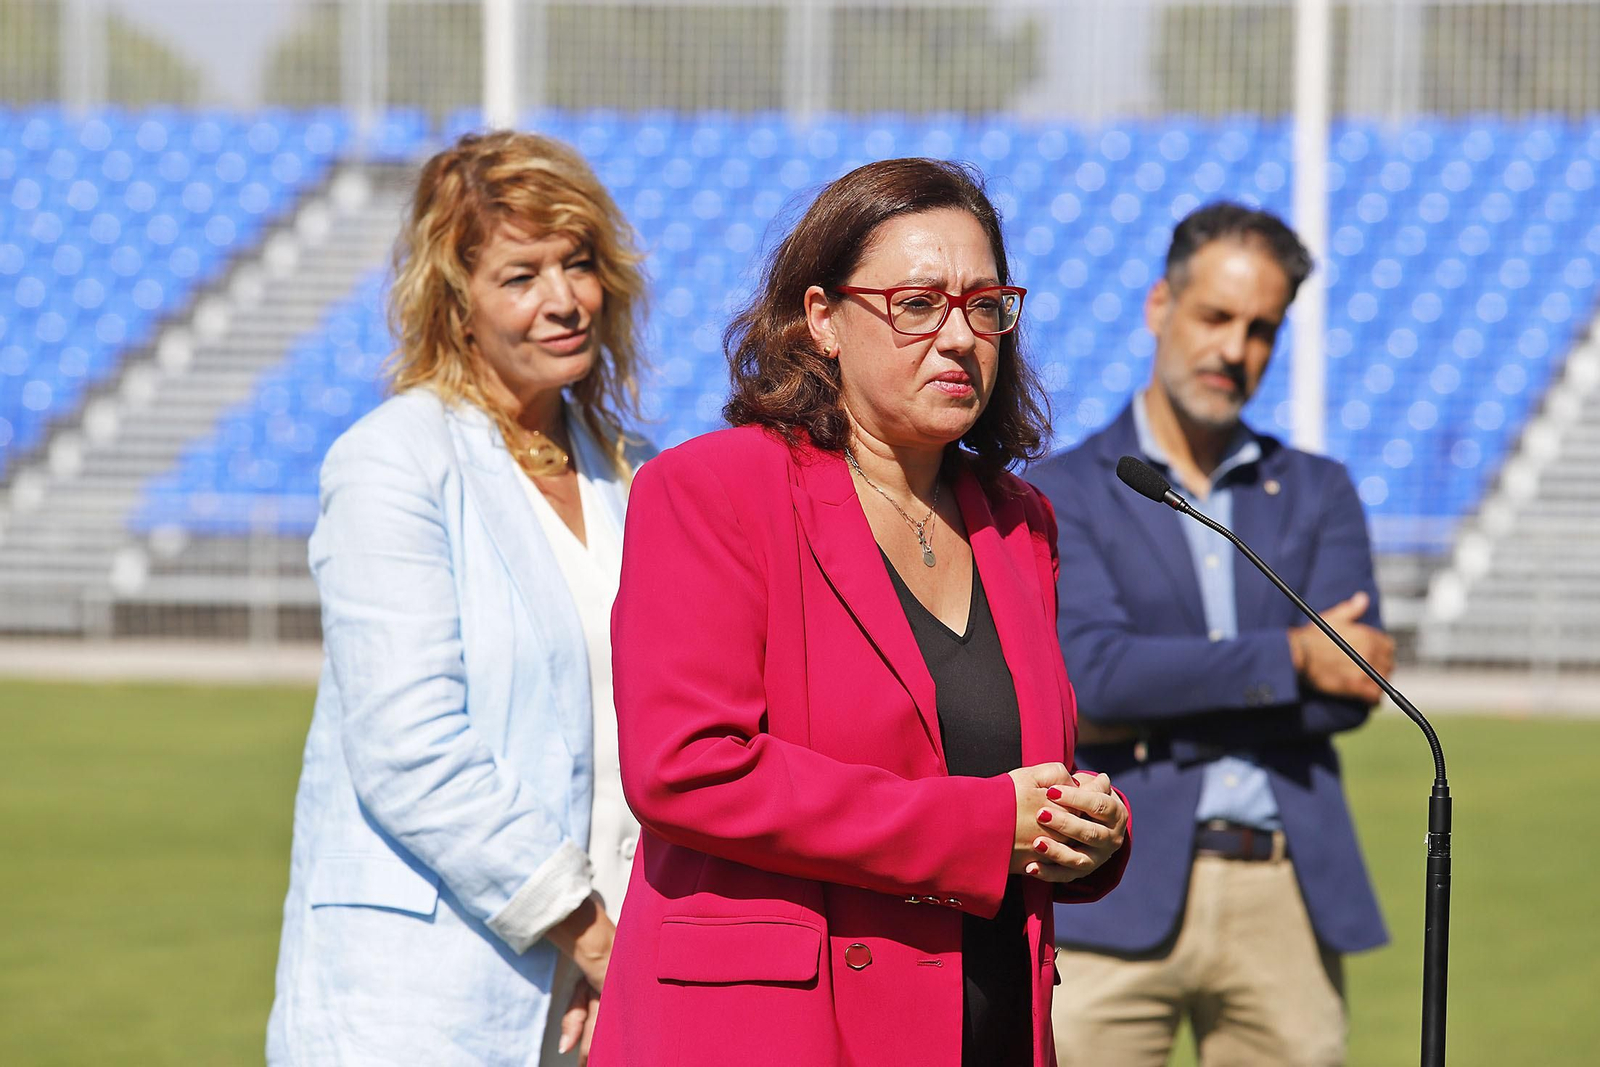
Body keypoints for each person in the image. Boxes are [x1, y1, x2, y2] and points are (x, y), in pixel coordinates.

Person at [588, 158, 1131, 1067]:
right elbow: (686, 767)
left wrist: (1085, 831)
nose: (960, 336)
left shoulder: (1019, 523)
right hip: (777, 1036)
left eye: (985, 303)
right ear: (822, 319)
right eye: (918, 304)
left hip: (988, 1029)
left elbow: (1015, 771)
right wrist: (977, 827)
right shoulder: (711, 490)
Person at [265, 130, 652, 1067]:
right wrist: (594, 937)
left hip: (594, 994)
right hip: (416, 1006)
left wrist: (627, 958)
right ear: (456, 304)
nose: (563, 300)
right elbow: (411, 745)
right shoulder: (394, 459)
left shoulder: (632, 482)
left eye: (579, 263)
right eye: (521, 275)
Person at [1029, 202, 1393, 1067]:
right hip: (1108, 885)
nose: (1235, 349)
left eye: (1261, 329)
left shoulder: (1318, 490)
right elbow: (1091, 681)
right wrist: (1290, 660)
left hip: (1286, 892)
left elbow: (1353, 694)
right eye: (1216, 316)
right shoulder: (1061, 491)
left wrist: (1157, 710)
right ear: (1161, 305)